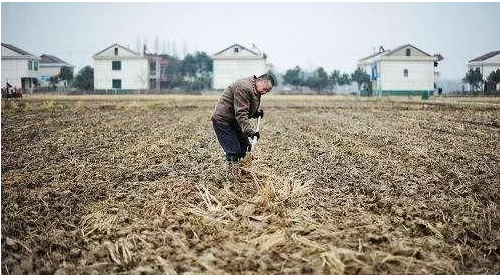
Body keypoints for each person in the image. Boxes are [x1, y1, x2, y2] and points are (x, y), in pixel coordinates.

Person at [211, 74, 274, 163]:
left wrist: (255, 113)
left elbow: (245, 106)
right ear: (259, 80)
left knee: (246, 147)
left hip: (234, 121)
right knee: (234, 151)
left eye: (267, 91)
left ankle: (241, 171)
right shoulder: (244, 87)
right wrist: (250, 132)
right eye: (265, 89)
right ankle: (230, 173)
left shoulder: (254, 88)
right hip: (223, 120)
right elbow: (241, 113)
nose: (264, 92)